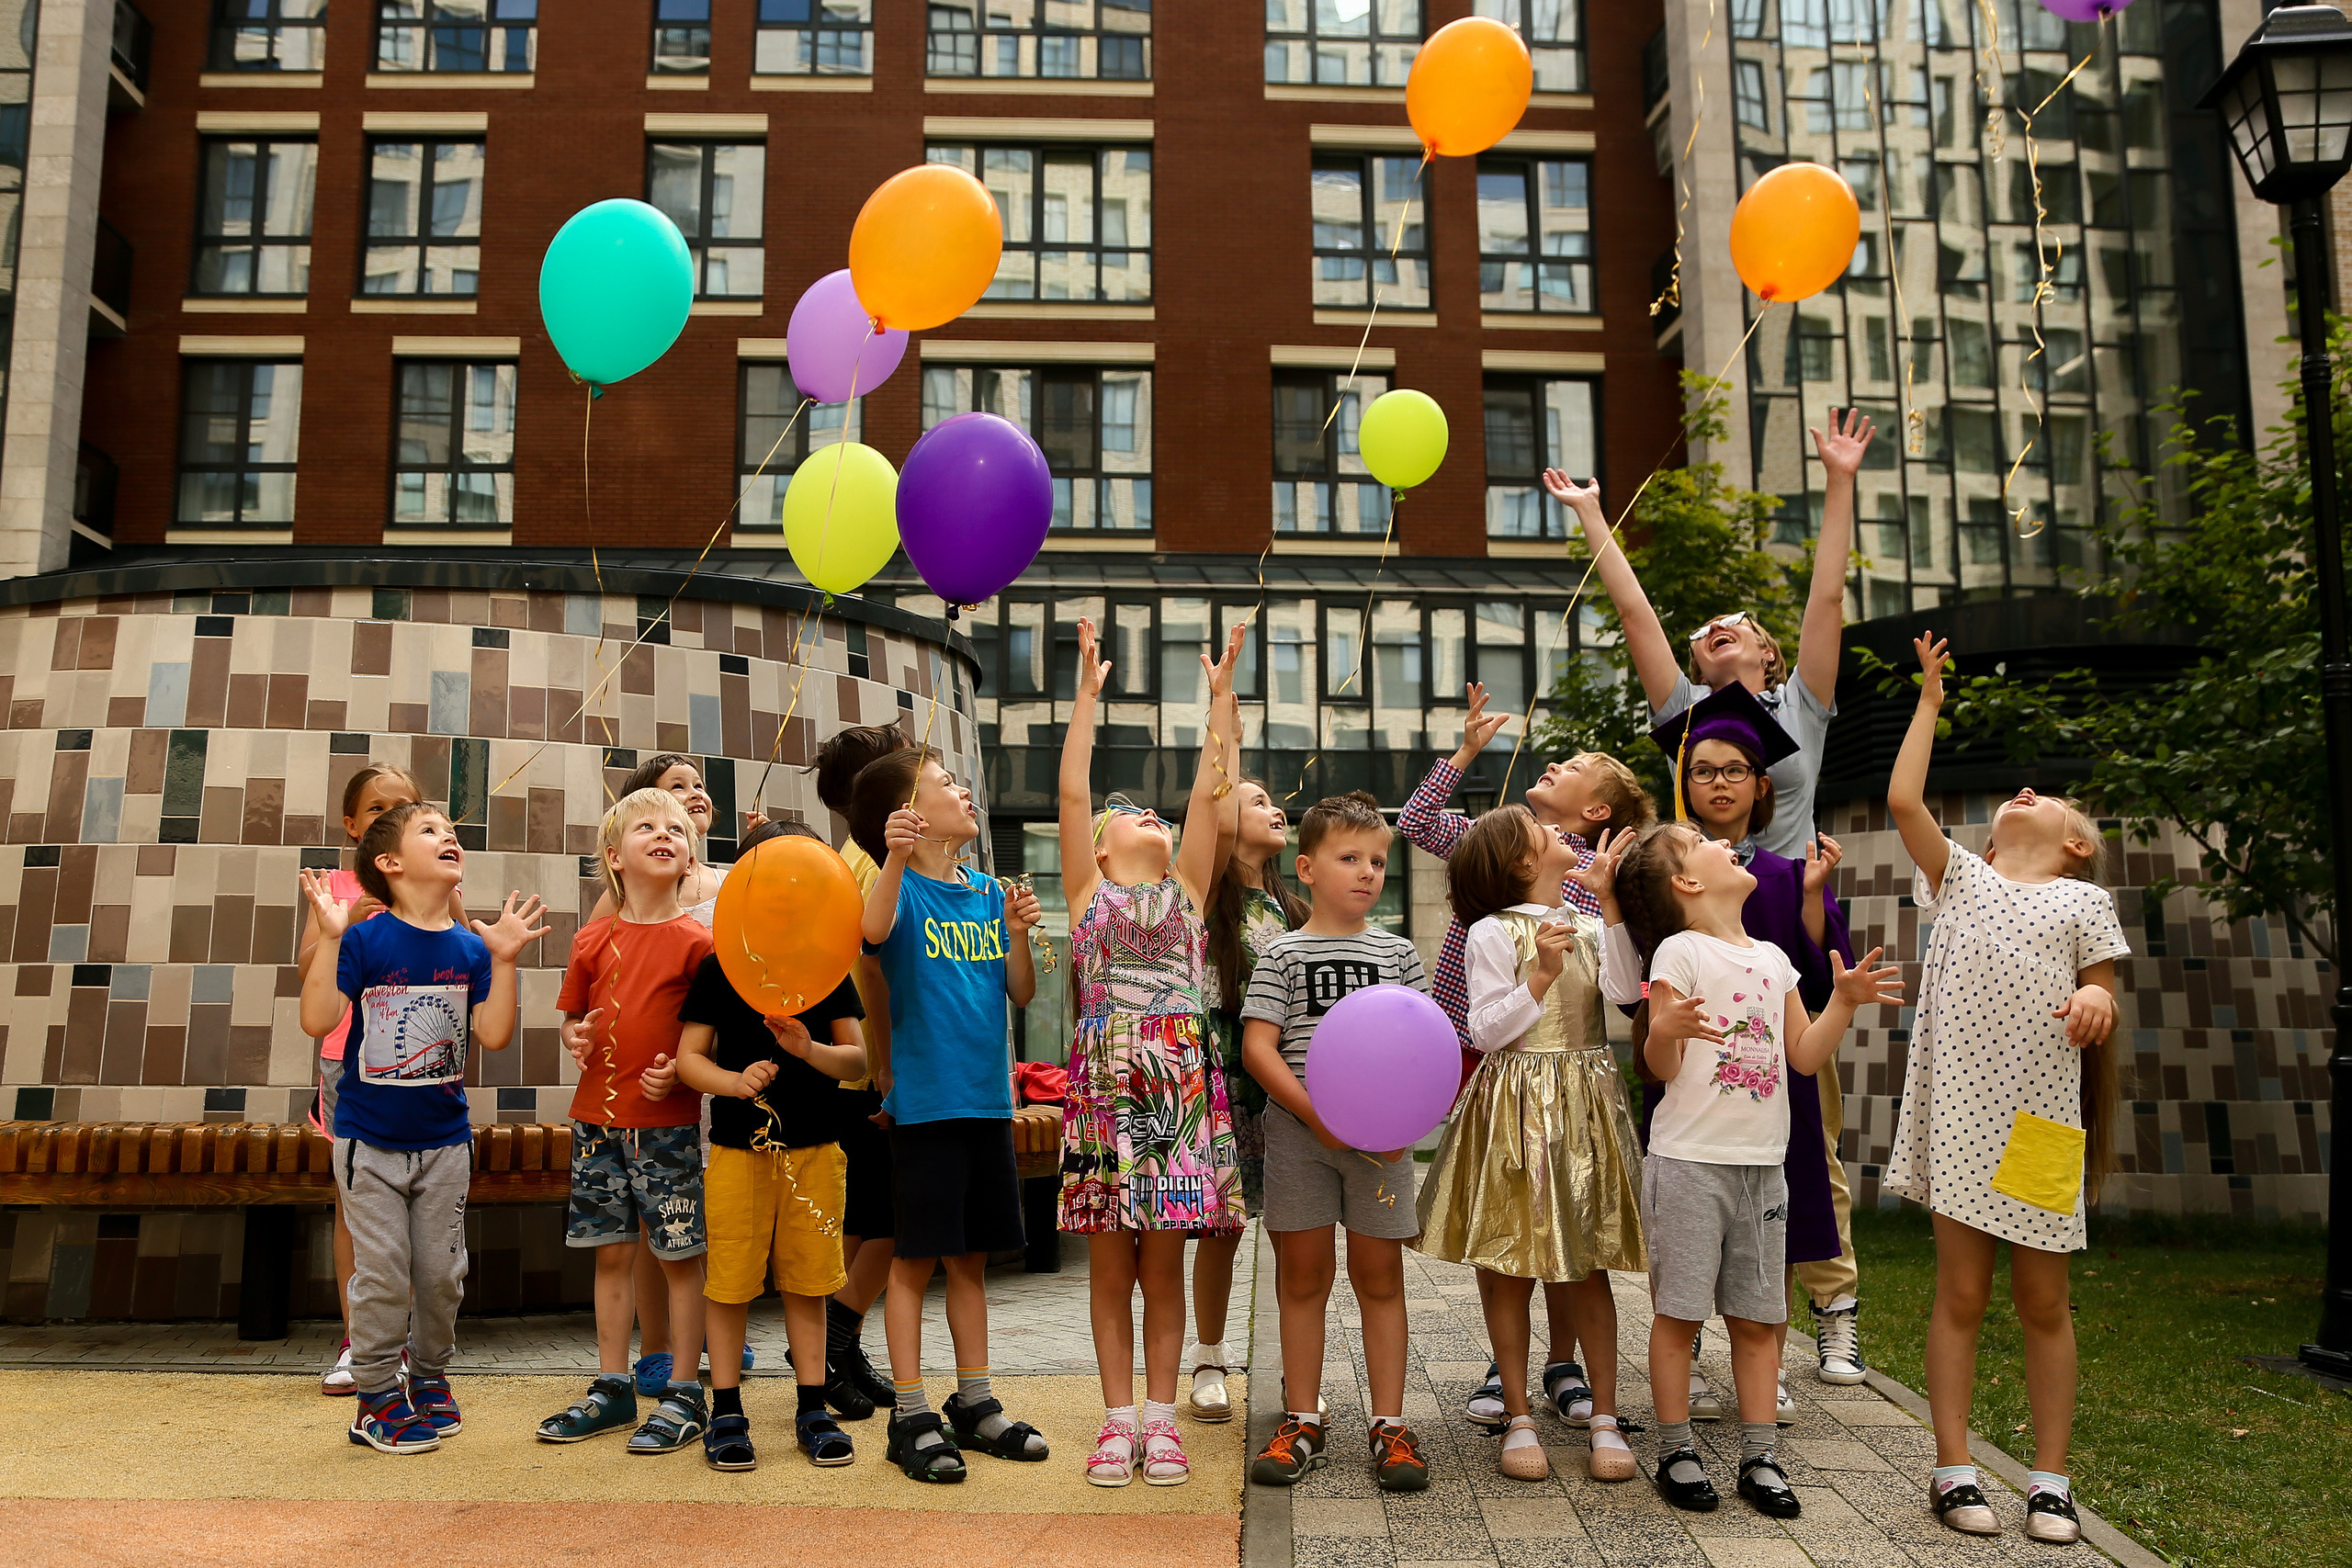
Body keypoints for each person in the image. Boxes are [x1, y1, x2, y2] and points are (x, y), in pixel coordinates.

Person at [1550, 414, 1875, 1379]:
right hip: (1698, 915)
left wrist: (1840, 480)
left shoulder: (1800, 710)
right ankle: (1686, 1316)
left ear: (1768, 652)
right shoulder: (1688, 720)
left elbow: (1826, 595)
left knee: (1806, 1127)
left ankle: (1833, 1302)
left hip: (1786, 909)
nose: (1711, 630)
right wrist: (1594, 516)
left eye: (1732, 623)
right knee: (1689, 1113)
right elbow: (1637, 618)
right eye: (1702, 634)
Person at [1885, 634, 2127, 1546]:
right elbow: (1903, 799)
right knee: (1960, 1297)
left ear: (2075, 844)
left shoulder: (2082, 901)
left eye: (2046, 796)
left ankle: (2050, 1481)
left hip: (2040, 1128)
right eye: (2014, 795)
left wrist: (2097, 1000)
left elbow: (2103, 987)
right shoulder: (1962, 879)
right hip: (1961, 1120)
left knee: (2043, 1303)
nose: (2025, 788)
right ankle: (1953, 1467)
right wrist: (1928, 704)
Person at [1611, 820, 1900, 1520]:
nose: (1720, 841)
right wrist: (1661, 1030)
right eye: (1699, 842)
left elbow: (1804, 1054)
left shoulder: (1774, 957)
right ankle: (1676, 1448)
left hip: (1764, 1169)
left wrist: (1844, 1001)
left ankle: (1760, 1455)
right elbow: (1661, 1067)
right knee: (1679, 1314)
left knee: (1757, 1319)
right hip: (1688, 1164)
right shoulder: (1679, 951)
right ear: (1687, 881)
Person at [1396, 681, 1655, 1428]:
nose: (1554, 766)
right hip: (1486, 1051)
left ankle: (1562, 1363)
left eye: (1572, 768)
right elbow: (1416, 820)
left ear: (1595, 811)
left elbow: (1619, 982)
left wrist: (1608, 899)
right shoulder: (1499, 839)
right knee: (1510, 1207)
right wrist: (1466, 751)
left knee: (1571, 1216)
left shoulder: (1589, 875)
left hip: (1572, 1070)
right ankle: (1509, 1368)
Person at [1631, 682, 1857, 1421]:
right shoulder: (1667, 889)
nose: (1719, 782)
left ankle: (1768, 1367)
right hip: (1696, 1099)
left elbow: (1816, 982)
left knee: (1772, 1242)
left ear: (1762, 784)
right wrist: (1662, 1027)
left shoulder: (1786, 875)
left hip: (1769, 1095)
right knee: (1692, 1253)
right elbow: (1648, 999)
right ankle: (1690, 1360)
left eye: (1735, 769)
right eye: (1703, 770)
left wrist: (1815, 905)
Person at [1057, 618, 1247, 1487]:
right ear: (1100, 846)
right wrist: (1085, 702)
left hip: (1172, 1103)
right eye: (1130, 813)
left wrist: (1221, 701)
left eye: (1156, 814)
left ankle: (1162, 1420)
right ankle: (1116, 1420)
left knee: (1162, 1270)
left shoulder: (1190, 891)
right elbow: (1071, 793)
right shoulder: (1087, 891)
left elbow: (1211, 790)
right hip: (1104, 1101)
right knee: (1109, 1271)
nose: (1153, 817)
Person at [297, 806, 546, 1453]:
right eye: (430, 830)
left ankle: (430, 1376)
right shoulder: (366, 940)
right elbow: (318, 1019)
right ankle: (377, 1396)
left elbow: (493, 1033)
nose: (449, 837)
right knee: (383, 1273)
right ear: (389, 863)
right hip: (368, 1143)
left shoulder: (469, 948)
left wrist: (505, 959)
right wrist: (330, 938)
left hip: (445, 1144)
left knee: (440, 1275)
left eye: (451, 831)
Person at [852, 744, 1048, 1483]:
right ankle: (910, 1414)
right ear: (908, 812)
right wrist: (895, 856)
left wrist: (1020, 933)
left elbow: (1021, 991)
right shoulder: (899, 888)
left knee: (971, 1261)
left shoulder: (989, 891)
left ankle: (974, 1401)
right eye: (944, 782)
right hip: (926, 1108)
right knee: (913, 1263)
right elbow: (871, 934)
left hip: (987, 1102)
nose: (963, 790)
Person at [1240, 792, 1435, 1495]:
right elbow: (1258, 1046)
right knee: (1302, 1278)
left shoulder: (1399, 953)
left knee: (1381, 1278)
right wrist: (1314, 1114)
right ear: (1307, 868)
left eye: (1377, 860)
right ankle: (1302, 1418)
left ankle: (1390, 1425)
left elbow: (1423, 1048)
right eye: (1349, 857)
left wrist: (1404, 1124)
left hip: (1382, 1147)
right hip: (1300, 1139)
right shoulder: (1282, 953)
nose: (1367, 872)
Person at [673, 819, 870, 1472]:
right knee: (729, 1283)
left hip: (817, 1149)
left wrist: (807, 1050)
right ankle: (727, 1409)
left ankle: (812, 1406)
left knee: (809, 1284)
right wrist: (733, 1081)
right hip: (737, 1152)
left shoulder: (828, 964)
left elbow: (856, 1059)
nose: (786, 893)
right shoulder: (719, 965)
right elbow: (689, 1059)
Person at [537, 788, 716, 1455]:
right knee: (611, 1253)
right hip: (596, 1124)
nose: (664, 833)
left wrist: (683, 1071)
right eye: (647, 826)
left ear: (689, 857)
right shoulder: (592, 939)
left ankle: (685, 1390)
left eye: (676, 828)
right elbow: (570, 1020)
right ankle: (612, 1385)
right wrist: (573, 1037)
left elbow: (712, 1035)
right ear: (615, 856)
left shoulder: (700, 944)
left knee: (680, 1255)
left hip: (666, 1126)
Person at [294, 762, 463, 1398]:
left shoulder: (433, 883)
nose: (390, 816)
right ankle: (357, 1339)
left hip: (421, 1071)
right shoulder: (336, 887)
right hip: (349, 1060)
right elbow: (306, 967)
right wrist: (344, 925)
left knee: (426, 1217)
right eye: (376, 808)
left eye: (406, 808)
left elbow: (467, 950)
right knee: (357, 1205)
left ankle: (417, 1343)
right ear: (350, 824)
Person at [588, 752, 743, 1396]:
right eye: (673, 788)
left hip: (714, 1067)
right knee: (654, 1217)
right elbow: (598, 980)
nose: (692, 794)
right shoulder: (620, 902)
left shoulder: (733, 879)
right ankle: (656, 1345)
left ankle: (716, 1325)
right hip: (645, 1084)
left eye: (698, 786)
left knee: (708, 1207)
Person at [1188, 772, 1305, 1423]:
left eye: (1273, 798)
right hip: (1222, 1083)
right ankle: (1208, 1359)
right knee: (1222, 1228)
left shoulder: (1296, 910)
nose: (1275, 808)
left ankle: (1297, 1369)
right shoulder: (1205, 893)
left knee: (1293, 1233)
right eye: (1256, 801)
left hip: (1284, 1088)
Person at [811, 723, 914, 1419]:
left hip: (856, 1073)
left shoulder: (851, 860)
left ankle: (838, 1349)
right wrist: (889, 1070)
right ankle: (832, 1340)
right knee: (885, 1225)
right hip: (869, 1077)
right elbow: (874, 978)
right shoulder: (874, 870)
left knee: (868, 1224)